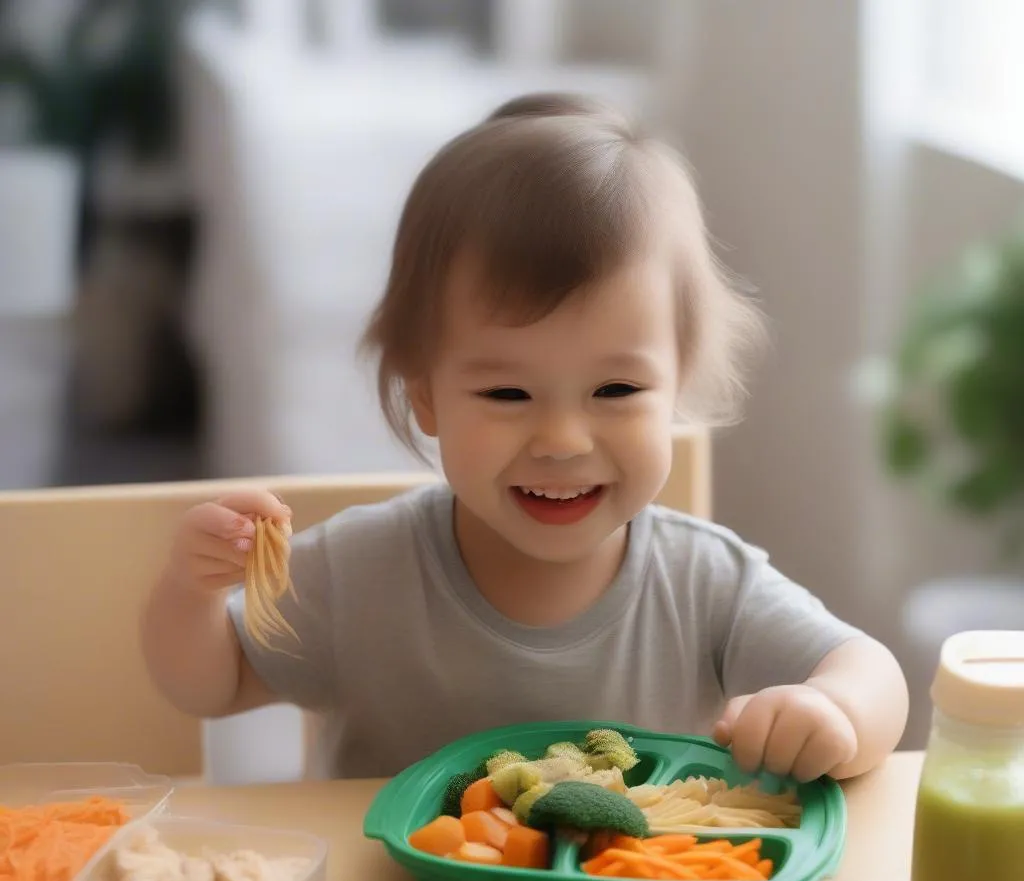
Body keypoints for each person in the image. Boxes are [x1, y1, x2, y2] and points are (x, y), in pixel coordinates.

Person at [141, 93, 908, 782]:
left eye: (617, 390)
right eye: (508, 392)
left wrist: (837, 714)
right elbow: (212, 682)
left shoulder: (704, 585)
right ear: (426, 397)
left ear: (675, 389)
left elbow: (869, 668)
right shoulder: (361, 573)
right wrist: (192, 591)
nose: (563, 439)